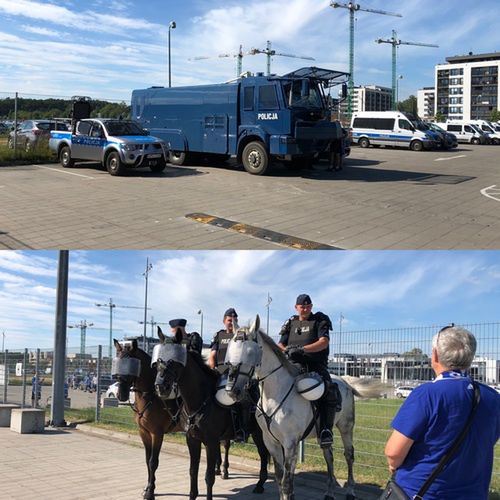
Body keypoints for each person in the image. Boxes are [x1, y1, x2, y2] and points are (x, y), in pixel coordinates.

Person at [384, 325, 500, 500]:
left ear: (435, 355)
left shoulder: (427, 394)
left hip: (422, 492)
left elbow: (394, 453)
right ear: (470, 357)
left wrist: (394, 464)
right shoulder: (492, 397)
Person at [278, 293, 340, 448]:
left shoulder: (319, 319)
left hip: (315, 365)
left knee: (329, 390)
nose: (304, 308)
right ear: (296, 307)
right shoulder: (290, 323)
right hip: (292, 366)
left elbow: (323, 342)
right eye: (301, 306)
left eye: (307, 306)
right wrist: (287, 351)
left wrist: (302, 349)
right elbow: (280, 344)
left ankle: (325, 430)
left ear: (311, 307)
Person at [208, 308, 250, 442]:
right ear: (224, 321)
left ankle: (240, 430)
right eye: (230, 320)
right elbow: (212, 355)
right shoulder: (218, 336)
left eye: (235, 320)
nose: (232, 323)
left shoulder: (240, 336)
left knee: (242, 400)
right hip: (219, 373)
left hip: (235, 375)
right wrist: (212, 369)